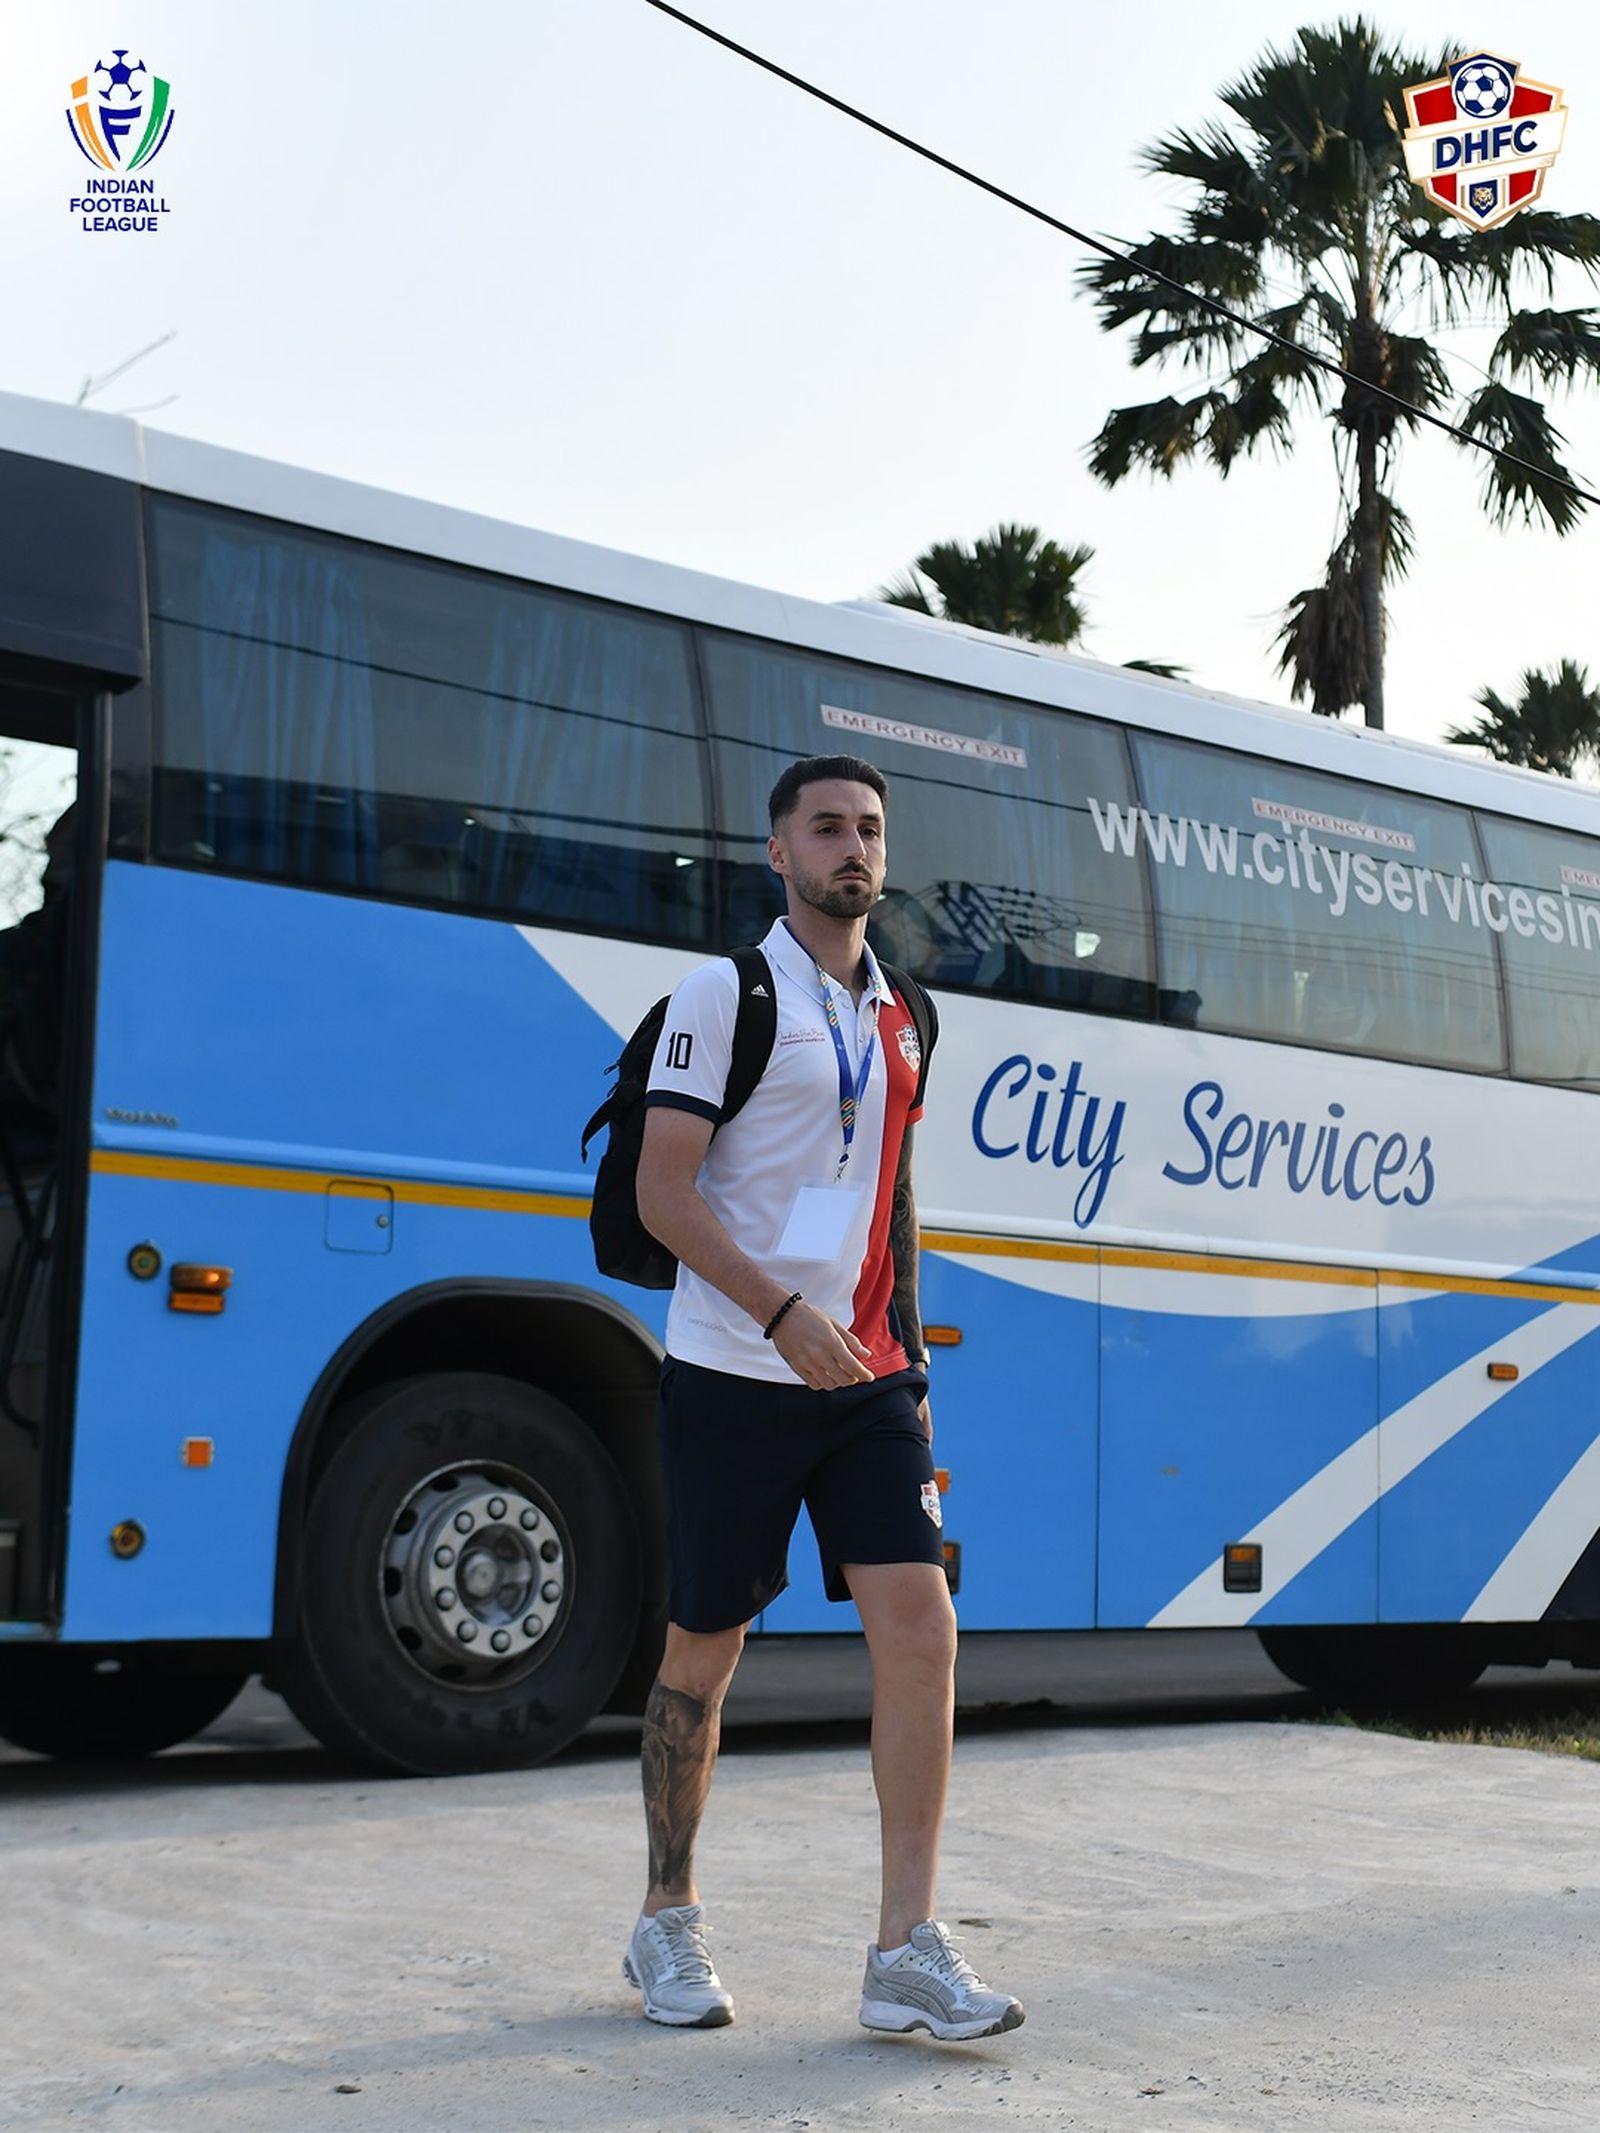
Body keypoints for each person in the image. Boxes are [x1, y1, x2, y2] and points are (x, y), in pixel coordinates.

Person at [622, 754, 1024, 2041]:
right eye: (826, 828)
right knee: (704, 1657)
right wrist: (780, 1315)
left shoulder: (907, 1012)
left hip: (866, 1381)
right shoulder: (722, 994)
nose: (852, 847)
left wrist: (903, 1345)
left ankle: (904, 1950)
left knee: (922, 1629)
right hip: (735, 1373)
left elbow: (890, 1188)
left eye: (869, 830)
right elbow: (661, 1190)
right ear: (777, 852)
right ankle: (665, 1917)